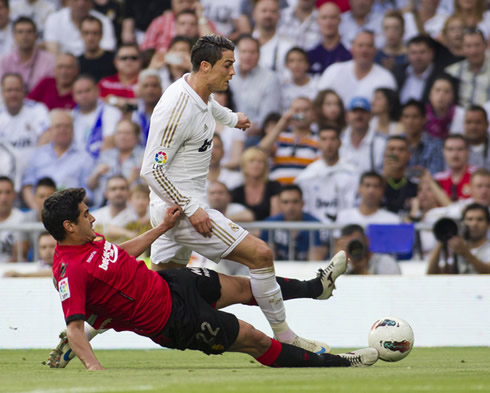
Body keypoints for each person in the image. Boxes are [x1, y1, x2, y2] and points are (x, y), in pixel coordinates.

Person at [139, 35, 332, 354]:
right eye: (227, 65)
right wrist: (191, 208)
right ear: (205, 66)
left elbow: (208, 105)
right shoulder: (175, 110)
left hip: (172, 210)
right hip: (182, 211)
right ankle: (285, 337)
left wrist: (232, 120)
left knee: (159, 288)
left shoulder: (195, 90)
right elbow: (151, 170)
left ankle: (83, 331)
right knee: (260, 254)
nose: (233, 72)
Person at [43, 187, 378, 370]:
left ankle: (316, 288)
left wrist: (161, 229)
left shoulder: (92, 240)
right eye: (86, 214)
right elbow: (75, 327)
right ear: (69, 226)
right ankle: (340, 363)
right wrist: (94, 370)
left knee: (250, 286)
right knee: (256, 339)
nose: (94, 217)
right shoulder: (69, 270)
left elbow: (122, 252)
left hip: (174, 284)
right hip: (173, 321)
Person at [21, 110, 95, 205]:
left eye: (67, 126)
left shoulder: (85, 157)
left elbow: (88, 193)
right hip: (41, 211)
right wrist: (38, 210)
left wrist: (69, 207)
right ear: (50, 130)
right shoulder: (37, 155)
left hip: (72, 211)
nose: (62, 130)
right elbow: (28, 187)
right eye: (58, 126)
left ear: (73, 130)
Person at [295, 126, 359, 224]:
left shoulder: (353, 173)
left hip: (345, 230)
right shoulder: (307, 176)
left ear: (340, 142)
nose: (329, 144)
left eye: (332, 139)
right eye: (324, 139)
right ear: (318, 143)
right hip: (314, 232)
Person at [0, 73, 50, 196]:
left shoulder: (37, 109)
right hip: (5, 182)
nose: (13, 94)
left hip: (33, 178)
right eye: (9, 90)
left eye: (17, 90)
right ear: (2, 92)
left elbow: (47, 136)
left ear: (24, 91)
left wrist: (28, 168)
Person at [317, 31, 397, 105]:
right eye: (360, 45)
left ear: (375, 50)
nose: (364, 50)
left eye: (369, 46)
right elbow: (319, 101)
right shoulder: (334, 71)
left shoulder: (386, 78)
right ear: (352, 49)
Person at [259, 97, 320, 184]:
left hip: (304, 191)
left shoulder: (319, 140)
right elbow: (260, 152)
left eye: (306, 110)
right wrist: (282, 123)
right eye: (297, 110)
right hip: (278, 191)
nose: (301, 114)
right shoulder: (280, 136)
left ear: (313, 114)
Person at [228, 34, 281, 134]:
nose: (248, 56)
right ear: (236, 53)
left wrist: (244, 130)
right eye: (244, 52)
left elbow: (267, 116)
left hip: (256, 134)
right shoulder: (227, 75)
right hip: (228, 132)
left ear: (259, 54)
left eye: (252, 52)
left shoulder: (270, 78)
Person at [261, 184, 328, 261]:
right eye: (285, 202)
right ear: (279, 204)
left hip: (306, 271)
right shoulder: (270, 224)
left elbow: (315, 261)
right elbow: (268, 260)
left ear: (302, 203)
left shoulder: (315, 225)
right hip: (279, 271)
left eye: (295, 201)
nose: (290, 207)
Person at [87, 119, 144, 208]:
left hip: (132, 208)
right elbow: (90, 185)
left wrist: (130, 180)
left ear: (136, 137)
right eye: (119, 133)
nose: (122, 137)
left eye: (127, 133)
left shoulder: (143, 157)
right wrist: (97, 174)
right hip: (101, 206)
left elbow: (148, 189)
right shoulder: (106, 155)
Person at [427, 202, 490, 274]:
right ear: (462, 223)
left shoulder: (487, 249)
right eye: (469, 219)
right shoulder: (456, 246)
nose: (474, 224)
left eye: (480, 219)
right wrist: (442, 237)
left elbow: (488, 272)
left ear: (488, 224)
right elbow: (431, 274)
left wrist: (466, 253)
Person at [335, 171, 401, 238]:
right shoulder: (344, 216)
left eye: (376, 186)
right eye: (367, 185)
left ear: (382, 190)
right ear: (359, 188)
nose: (371, 190)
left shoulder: (393, 220)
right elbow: (337, 245)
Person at [71, 74, 122, 158]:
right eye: (79, 92)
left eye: (87, 90)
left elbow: (109, 144)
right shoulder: (71, 116)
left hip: (100, 162)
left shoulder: (110, 112)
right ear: (73, 96)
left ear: (97, 91)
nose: (84, 95)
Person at [0, 16, 56, 93]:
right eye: (20, 32)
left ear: (36, 36)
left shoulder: (49, 60)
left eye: (29, 32)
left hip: (41, 103)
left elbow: (51, 90)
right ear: (14, 36)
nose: (24, 36)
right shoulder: (4, 61)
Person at [140, 0, 215, 55]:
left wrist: (200, 17)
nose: (185, 5)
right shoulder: (159, 22)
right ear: (172, 2)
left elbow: (215, 46)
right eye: (181, 2)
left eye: (189, 2)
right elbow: (146, 50)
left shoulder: (203, 22)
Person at [44, 0, 116, 57]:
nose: (81, 4)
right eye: (76, 0)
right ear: (68, 1)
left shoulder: (103, 21)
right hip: (66, 68)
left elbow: (108, 50)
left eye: (86, 0)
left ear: (92, 2)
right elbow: (52, 52)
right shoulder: (54, 19)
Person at [231, 146, 281, 221]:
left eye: (260, 161)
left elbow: (275, 217)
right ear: (244, 166)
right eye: (251, 161)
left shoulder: (273, 187)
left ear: (265, 166)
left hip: (267, 231)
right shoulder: (237, 192)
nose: (256, 165)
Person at [339, 96, 387, 174]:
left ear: (370, 116)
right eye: (355, 111)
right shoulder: (338, 140)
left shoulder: (382, 142)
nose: (359, 116)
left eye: (363, 111)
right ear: (346, 116)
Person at [445, 28, 490, 108]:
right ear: (462, 48)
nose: (473, 51)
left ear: (485, 45)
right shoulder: (452, 72)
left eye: (477, 45)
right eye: (468, 46)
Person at [400, 99, 445, 174]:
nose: (410, 121)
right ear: (401, 119)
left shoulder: (436, 144)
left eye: (415, 117)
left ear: (424, 119)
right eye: (406, 116)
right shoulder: (394, 143)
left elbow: (436, 173)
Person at [336, 224, 401, 275]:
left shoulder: (385, 262)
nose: (354, 248)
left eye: (356, 242)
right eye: (349, 244)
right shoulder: (344, 265)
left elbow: (393, 289)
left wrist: (361, 270)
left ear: (367, 240)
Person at [393, 35, 440, 105]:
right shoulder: (397, 72)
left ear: (431, 54)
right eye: (413, 53)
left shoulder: (440, 76)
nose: (418, 57)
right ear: (407, 54)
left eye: (422, 52)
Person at [307, 2, 351, 77]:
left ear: (339, 20)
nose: (328, 22)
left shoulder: (349, 51)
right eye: (324, 17)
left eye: (332, 17)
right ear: (318, 21)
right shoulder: (311, 53)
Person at [91, 175, 138, 243]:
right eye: (113, 189)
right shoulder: (94, 217)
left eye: (122, 188)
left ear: (128, 192)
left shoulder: (138, 215)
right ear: (106, 193)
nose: (118, 192)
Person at [251, 0, 293, 76]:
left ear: (279, 16)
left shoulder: (288, 48)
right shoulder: (242, 45)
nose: (268, 15)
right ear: (254, 14)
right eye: (264, 11)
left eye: (273, 11)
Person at [98, 44, 142, 112]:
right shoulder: (105, 83)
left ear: (140, 61)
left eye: (133, 58)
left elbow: (149, 103)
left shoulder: (146, 82)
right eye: (124, 58)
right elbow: (98, 103)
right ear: (115, 62)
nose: (128, 61)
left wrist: (114, 100)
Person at [382, 136, 418, 215]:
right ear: (385, 154)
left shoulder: (416, 183)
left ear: (409, 155)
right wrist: (383, 178)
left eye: (401, 149)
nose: (396, 154)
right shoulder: (374, 181)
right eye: (391, 149)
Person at [434, 134, 476, 201]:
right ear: (443, 152)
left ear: (468, 152)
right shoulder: (437, 179)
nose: (455, 155)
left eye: (460, 149)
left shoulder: (477, 175)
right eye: (450, 149)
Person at [77, 15, 117, 82]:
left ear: (101, 35)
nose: (90, 38)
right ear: (81, 35)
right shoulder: (76, 63)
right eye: (86, 33)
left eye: (95, 33)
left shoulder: (114, 60)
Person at [425, 74, 464, 139]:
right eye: (437, 90)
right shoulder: (421, 112)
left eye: (446, 91)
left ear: (453, 96)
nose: (441, 95)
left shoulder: (461, 114)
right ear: (430, 94)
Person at [280, 47, 318, 114]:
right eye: (292, 61)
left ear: (307, 64)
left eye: (300, 60)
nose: (296, 65)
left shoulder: (318, 86)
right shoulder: (282, 88)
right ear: (286, 65)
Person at [131, 68, 163, 146]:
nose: (150, 90)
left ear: (161, 89)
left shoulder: (169, 113)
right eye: (146, 86)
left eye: (154, 85)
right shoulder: (133, 113)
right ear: (139, 90)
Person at [0, 176, 28, 262]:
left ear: (14, 194)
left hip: (12, 271)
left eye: (8, 192)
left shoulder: (22, 218)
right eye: (0, 192)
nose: (4, 197)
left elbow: (21, 253)